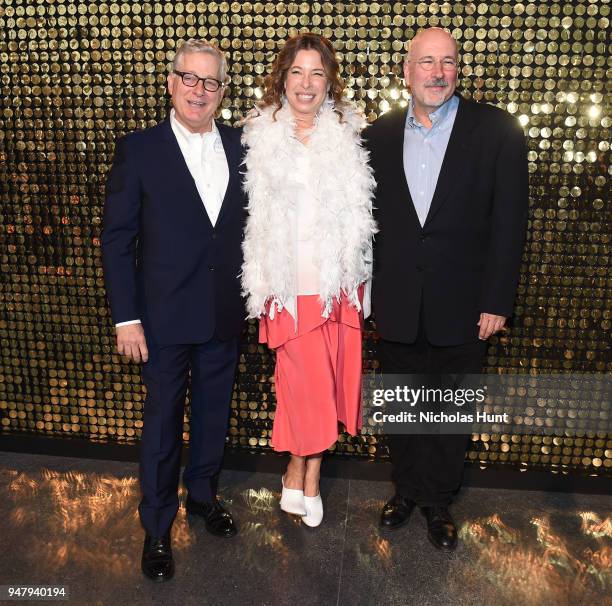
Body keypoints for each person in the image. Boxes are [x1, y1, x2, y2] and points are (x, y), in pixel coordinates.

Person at [365, 27, 528, 550]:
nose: (437, 73)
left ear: (459, 69)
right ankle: (406, 490)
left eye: (448, 62)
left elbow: (510, 222)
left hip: (464, 303)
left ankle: (437, 501)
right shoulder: (377, 136)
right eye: (426, 62)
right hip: (396, 302)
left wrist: (496, 300)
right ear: (406, 71)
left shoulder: (497, 129)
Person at [102, 39, 246, 581]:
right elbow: (117, 240)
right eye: (189, 78)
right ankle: (157, 526)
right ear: (170, 82)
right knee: (162, 425)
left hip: (222, 314)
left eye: (210, 82)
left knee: (213, 415)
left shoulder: (242, 147)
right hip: (159, 319)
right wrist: (126, 317)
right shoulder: (138, 150)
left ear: (222, 92)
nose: (198, 90)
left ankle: (204, 498)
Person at [240, 33, 376, 528]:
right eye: (297, 72)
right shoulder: (255, 139)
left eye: (317, 73)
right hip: (283, 285)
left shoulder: (347, 137)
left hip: (334, 284)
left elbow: (361, 219)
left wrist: (362, 282)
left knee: (319, 385)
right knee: (306, 384)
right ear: (283, 79)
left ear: (329, 82)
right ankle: (308, 473)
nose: (306, 82)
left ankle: (301, 471)